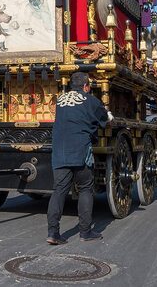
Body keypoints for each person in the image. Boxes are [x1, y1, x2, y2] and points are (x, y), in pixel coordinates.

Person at [46, 72, 110, 245]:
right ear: (86, 86)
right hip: (80, 151)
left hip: (59, 151)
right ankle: (85, 231)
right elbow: (104, 118)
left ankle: (53, 233)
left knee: (59, 190)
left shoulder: (60, 100)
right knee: (85, 188)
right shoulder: (91, 100)